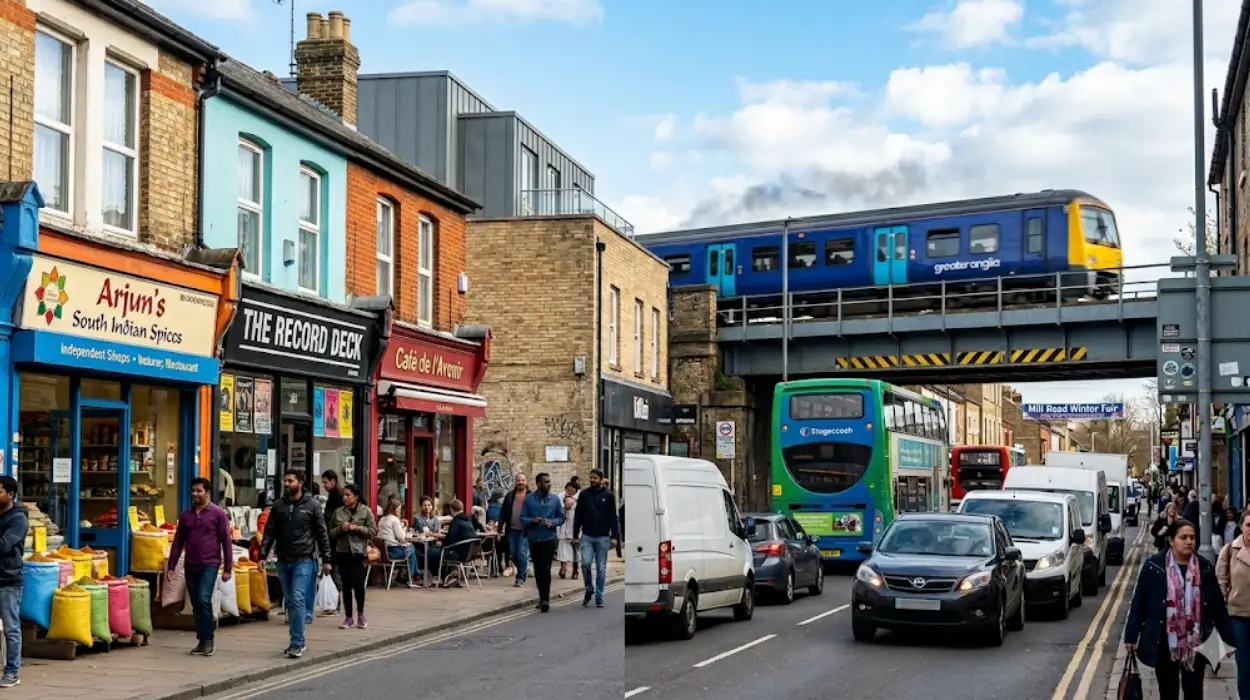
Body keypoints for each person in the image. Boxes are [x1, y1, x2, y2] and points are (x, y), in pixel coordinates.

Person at [1125, 519, 1233, 700]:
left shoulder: (1204, 567)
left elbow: (1218, 607)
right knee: (1168, 693)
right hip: (1164, 641)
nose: (1189, 541)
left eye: (1192, 537)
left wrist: (1228, 639)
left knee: (1194, 692)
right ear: (1171, 540)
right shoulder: (1154, 566)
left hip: (1197, 642)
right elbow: (1139, 602)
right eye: (1183, 537)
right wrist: (1131, 635)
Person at [260, 469, 333, 659]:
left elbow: (321, 533)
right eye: (285, 480)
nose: (286, 484)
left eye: (290, 481)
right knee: (291, 601)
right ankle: (297, 640)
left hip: (304, 559)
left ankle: (296, 643)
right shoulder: (278, 506)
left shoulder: (312, 505)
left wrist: (326, 559)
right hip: (284, 560)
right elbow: (269, 532)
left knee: (298, 598)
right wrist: (262, 555)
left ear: (300, 483)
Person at [168, 477, 232, 657]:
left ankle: (208, 640)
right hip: (191, 564)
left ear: (207, 492)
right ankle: (202, 640)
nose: (195, 494)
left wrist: (228, 567)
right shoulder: (186, 515)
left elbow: (226, 541)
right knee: (196, 603)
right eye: (193, 491)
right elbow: (178, 541)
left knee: (204, 599)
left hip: (210, 564)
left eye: (199, 491)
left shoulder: (217, 514)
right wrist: (171, 566)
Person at [329, 484, 376, 629]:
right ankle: (348, 617)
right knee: (346, 585)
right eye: (344, 495)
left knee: (359, 584)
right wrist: (341, 529)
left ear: (356, 496)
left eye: (348, 495)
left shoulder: (365, 511)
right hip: (343, 552)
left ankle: (361, 614)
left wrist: (357, 528)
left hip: (359, 553)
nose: (345, 497)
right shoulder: (338, 512)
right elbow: (330, 532)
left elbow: (373, 531)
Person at [574, 469, 620, 608]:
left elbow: (613, 517)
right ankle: (589, 588)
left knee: (601, 568)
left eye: (595, 478)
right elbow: (578, 516)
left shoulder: (609, 495)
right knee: (585, 564)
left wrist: (615, 537)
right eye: (590, 478)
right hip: (587, 536)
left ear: (601, 479)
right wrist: (575, 535)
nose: (592, 480)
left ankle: (599, 597)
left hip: (603, 537)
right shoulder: (584, 494)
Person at [520, 473, 564, 612]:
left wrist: (553, 523)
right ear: (538, 484)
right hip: (534, 539)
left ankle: (545, 599)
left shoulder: (555, 500)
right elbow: (522, 518)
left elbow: (561, 518)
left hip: (549, 539)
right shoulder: (528, 499)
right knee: (539, 570)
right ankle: (541, 597)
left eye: (549, 481)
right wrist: (532, 521)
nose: (549, 484)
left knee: (546, 569)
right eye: (546, 482)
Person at [1218, 508, 1250, 698]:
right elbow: (1220, 583)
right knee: (1245, 667)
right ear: (1241, 527)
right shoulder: (1230, 550)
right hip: (1239, 617)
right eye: (1248, 525)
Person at [0, 477, 28, 688]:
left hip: (8, 579)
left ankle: (12, 672)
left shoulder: (18, 519)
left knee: (11, 629)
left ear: (10, 494)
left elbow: (5, 545)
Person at [378, 498, 421, 588]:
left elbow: (390, 530)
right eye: (399, 509)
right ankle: (412, 577)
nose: (400, 512)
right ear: (393, 509)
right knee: (412, 548)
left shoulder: (382, 519)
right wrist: (405, 527)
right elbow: (402, 537)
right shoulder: (394, 519)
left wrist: (401, 525)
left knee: (411, 552)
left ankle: (410, 576)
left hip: (383, 552)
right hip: (393, 551)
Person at [432, 500, 476, 586]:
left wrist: (440, 539)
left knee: (432, 554)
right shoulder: (468, 520)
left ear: (451, 509)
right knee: (439, 552)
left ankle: (442, 577)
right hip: (469, 553)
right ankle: (451, 574)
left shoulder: (456, 521)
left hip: (458, 553)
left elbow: (450, 540)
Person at [320, 470, 345, 616]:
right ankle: (335, 603)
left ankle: (337, 604)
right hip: (331, 540)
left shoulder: (338, 498)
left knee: (335, 572)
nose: (324, 485)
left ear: (333, 481)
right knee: (333, 571)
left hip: (335, 541)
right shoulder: (332, 497)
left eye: (325, 482)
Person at [499, 473, 531, 586]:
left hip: (525, 531)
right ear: (515, 482)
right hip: (511, 530)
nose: (520, 482)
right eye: (518, 480)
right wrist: (499, 528)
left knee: (522, 553)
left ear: (526, 482)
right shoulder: (509, 496)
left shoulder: (531, 496)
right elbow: (503, 513)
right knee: (514, 554)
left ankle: (520, 577)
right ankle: (524, 568)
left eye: (522, 480)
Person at [557, 495, 577, 579]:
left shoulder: (576, 512)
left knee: (575, 556)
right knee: (562, 553)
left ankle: (575, 571)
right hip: (562, 535)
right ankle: (563, 569)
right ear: (564, 502)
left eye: (571, 504)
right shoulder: (560, 510)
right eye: (567, 503)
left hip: (572, 536)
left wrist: (577, 536)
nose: (569, 505)